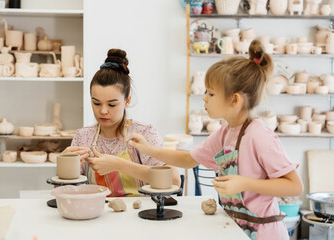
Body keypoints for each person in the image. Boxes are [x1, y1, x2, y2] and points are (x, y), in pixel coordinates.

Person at [129, 40, 303, 239]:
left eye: (211, 93)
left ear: (234, 100)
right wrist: (148, 149)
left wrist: (244, 183)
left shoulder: (259, 136)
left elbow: (294, 186)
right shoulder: (226, 132)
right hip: (238, 229)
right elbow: (189, 160)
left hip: (264, 234)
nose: (204, 98)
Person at [62, 49, 180, 197]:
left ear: (127, 101)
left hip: (137, 214)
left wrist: (119, 165)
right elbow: (65, 192)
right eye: (96, 103)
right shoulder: (83, 136)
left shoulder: (143, 133)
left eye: (112, 105)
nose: (103, 111)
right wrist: (64, 165)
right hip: (96, 213)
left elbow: (174, 180)